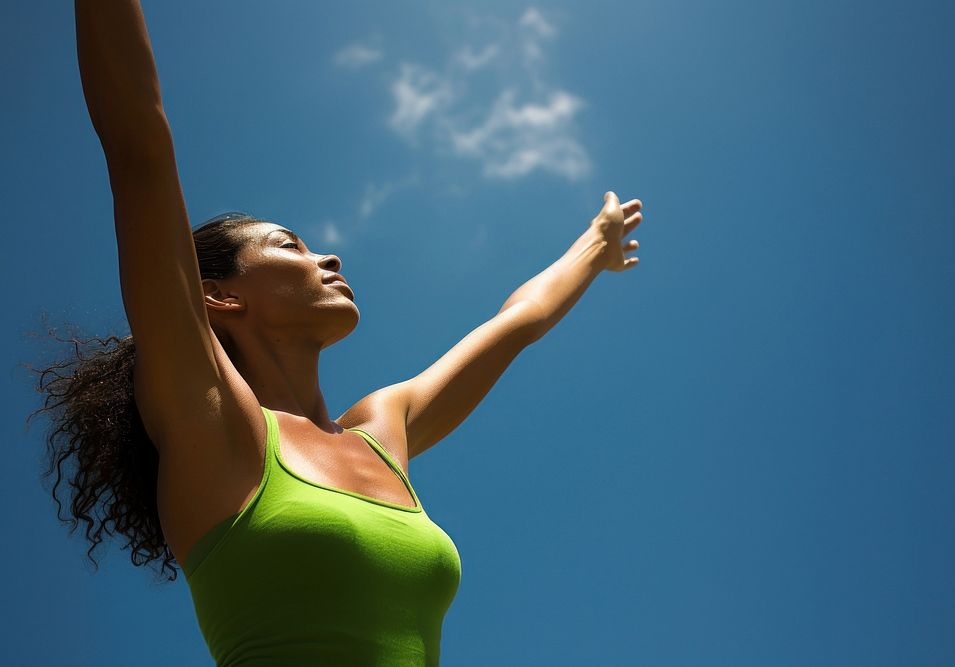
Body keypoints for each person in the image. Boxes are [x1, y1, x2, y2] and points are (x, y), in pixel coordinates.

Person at [34, 1, 643, 664]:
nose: (329, 258)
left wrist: (596, 244)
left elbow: (516, 323)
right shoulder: (213, 422)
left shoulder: (384, 430)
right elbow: (139, 146)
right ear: (218, 295)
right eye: (290, 246)